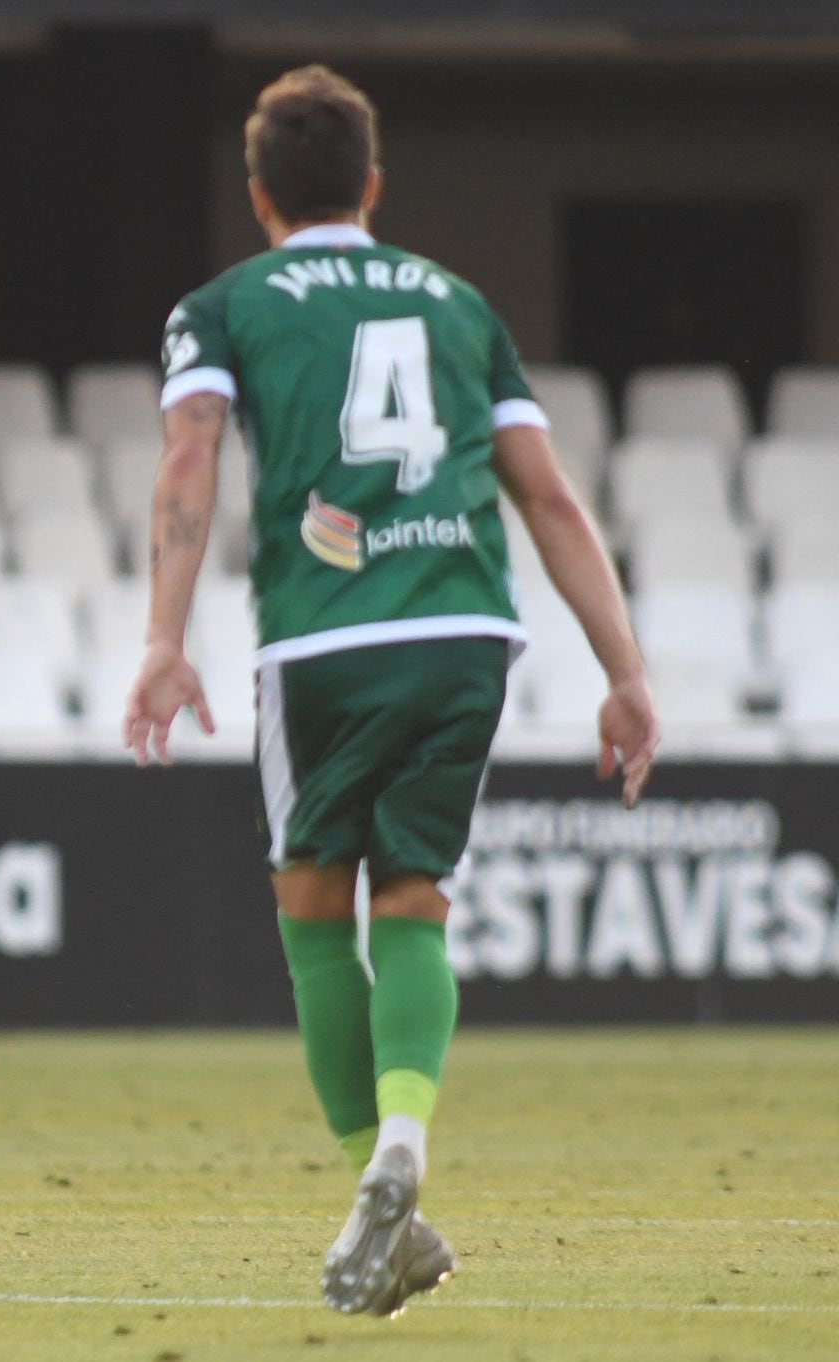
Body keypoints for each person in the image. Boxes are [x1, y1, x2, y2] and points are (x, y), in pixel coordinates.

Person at [124, 65, 659, 1318]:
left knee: (313, 910)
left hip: (321, 639)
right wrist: (623, 673)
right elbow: (547, 496)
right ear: (372, 184)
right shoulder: (458, 304)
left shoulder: (220, 305)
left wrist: (162, 635)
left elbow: (186, 460)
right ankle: (405, 1153)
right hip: (467, 625)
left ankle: (379, 1179)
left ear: (257, 194)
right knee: (414, 898)